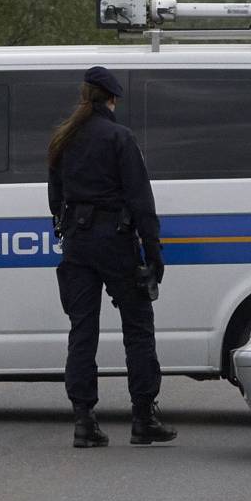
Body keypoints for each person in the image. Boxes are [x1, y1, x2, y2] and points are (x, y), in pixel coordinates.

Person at [46, 66, 176, 447]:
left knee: (82, 331)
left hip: (77, 243)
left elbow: (55, 200)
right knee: (137, 327)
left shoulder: (63, 139)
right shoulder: (120, 137)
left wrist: (70, 232)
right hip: (115, 241)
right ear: (112, 99)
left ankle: (84, 421)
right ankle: (143, 417)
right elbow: (140, 200)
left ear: (85, 96)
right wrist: (154, 253)